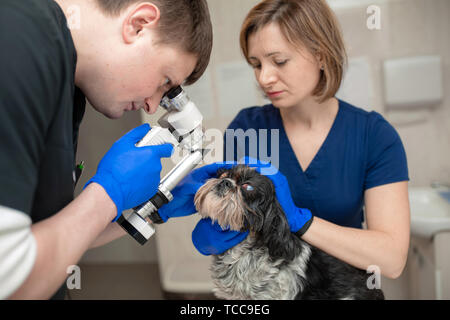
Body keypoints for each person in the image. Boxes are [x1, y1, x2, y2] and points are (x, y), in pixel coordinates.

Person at [167, 0, 411, 281]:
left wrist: (300, 221)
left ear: (321, 55)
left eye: (279, 61)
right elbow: (235, 227)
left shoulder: (374, 136)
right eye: (256, 65)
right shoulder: (248, 129)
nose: (265, 78)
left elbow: (391, 260)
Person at [0, 0, 213, 299]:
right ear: (139, 24)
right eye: (165, 81)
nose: (153, 105)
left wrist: (155, 207)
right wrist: (108, 194)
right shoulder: (19, 41)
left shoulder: (67, 81)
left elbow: (51, 236)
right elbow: (9, 277)